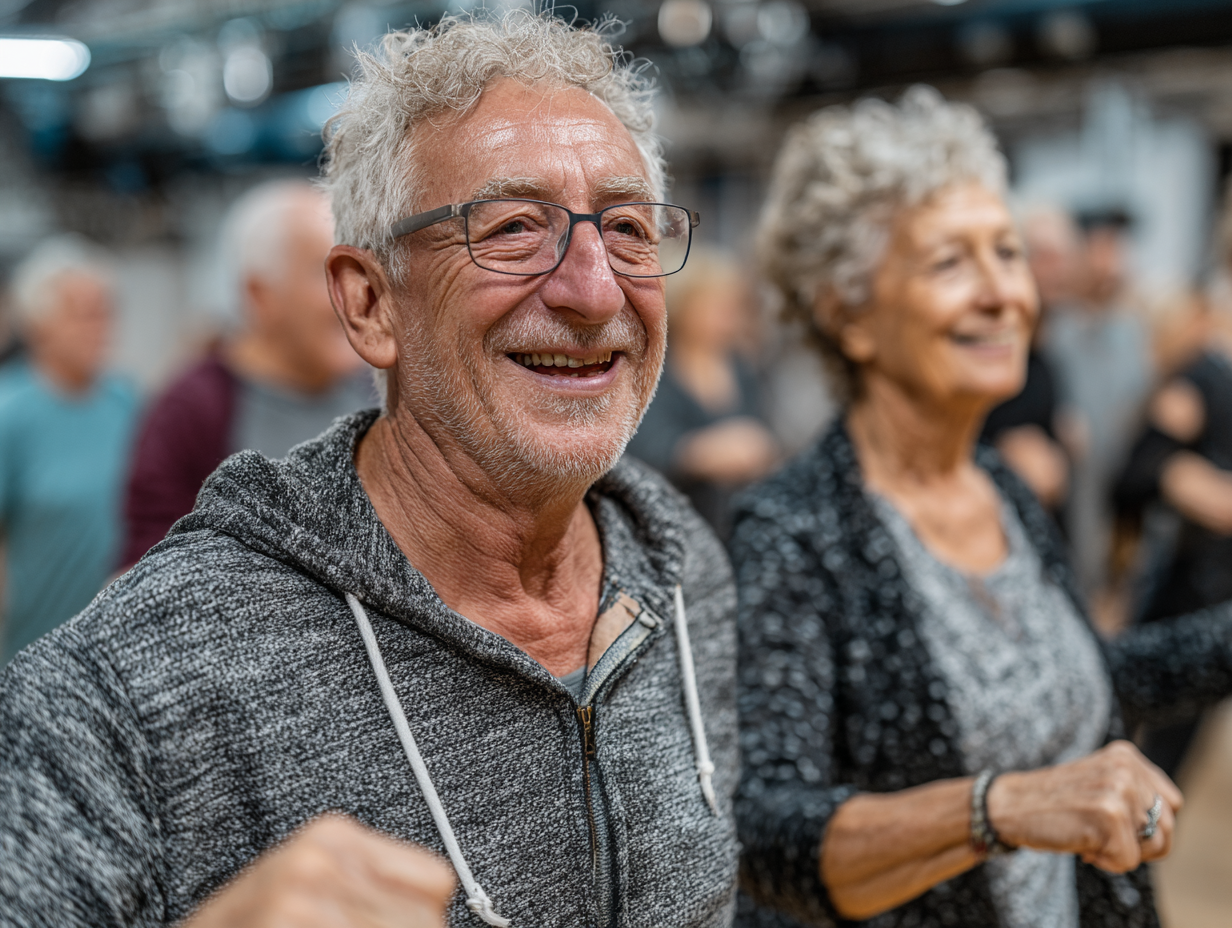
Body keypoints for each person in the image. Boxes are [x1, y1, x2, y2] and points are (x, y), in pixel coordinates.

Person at [0, 13, 739, 928]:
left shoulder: (680, 571)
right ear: (370, 303)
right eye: (511, 228)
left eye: (627, 227)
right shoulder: (136, 685)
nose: (593, 289)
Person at [732, 87, 1232, 928]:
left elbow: (1075, 681)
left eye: (1007, 252)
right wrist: (1001, 807)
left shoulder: (1000, 488)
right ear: (848, 313)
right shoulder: (793, 530)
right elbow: (766, 835)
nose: (1005, 291)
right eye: (950, 263)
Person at [119, 180, 372, 568]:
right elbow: (144, 569)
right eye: (323, 273)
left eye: (357, 270)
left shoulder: (375, 393)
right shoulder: (193, 411)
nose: (355, 295)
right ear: (259, 294)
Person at [0, 235, 139, 664]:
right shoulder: (11, 414)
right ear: (40, 324)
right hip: (35, 651)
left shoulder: (125, 401)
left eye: (106, 312)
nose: (101, 328)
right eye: (84, 315)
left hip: (116, 653)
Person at [625, 248, 778, 536]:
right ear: (685, 307)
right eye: (716, 305)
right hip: (671, 524)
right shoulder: (655, 368)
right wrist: (702, 453)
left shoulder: (744, 367)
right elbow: (643, 448)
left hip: (738, 526)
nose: (728, 316)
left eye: (732, 305)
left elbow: (766, 430)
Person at [1046, 208, 1153, 597]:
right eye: (1103, 249)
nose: (1113, 264)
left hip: (1121, 492)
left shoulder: (1133, 331)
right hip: (1072, 497)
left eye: (1119, 250)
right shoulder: (1053, 332)